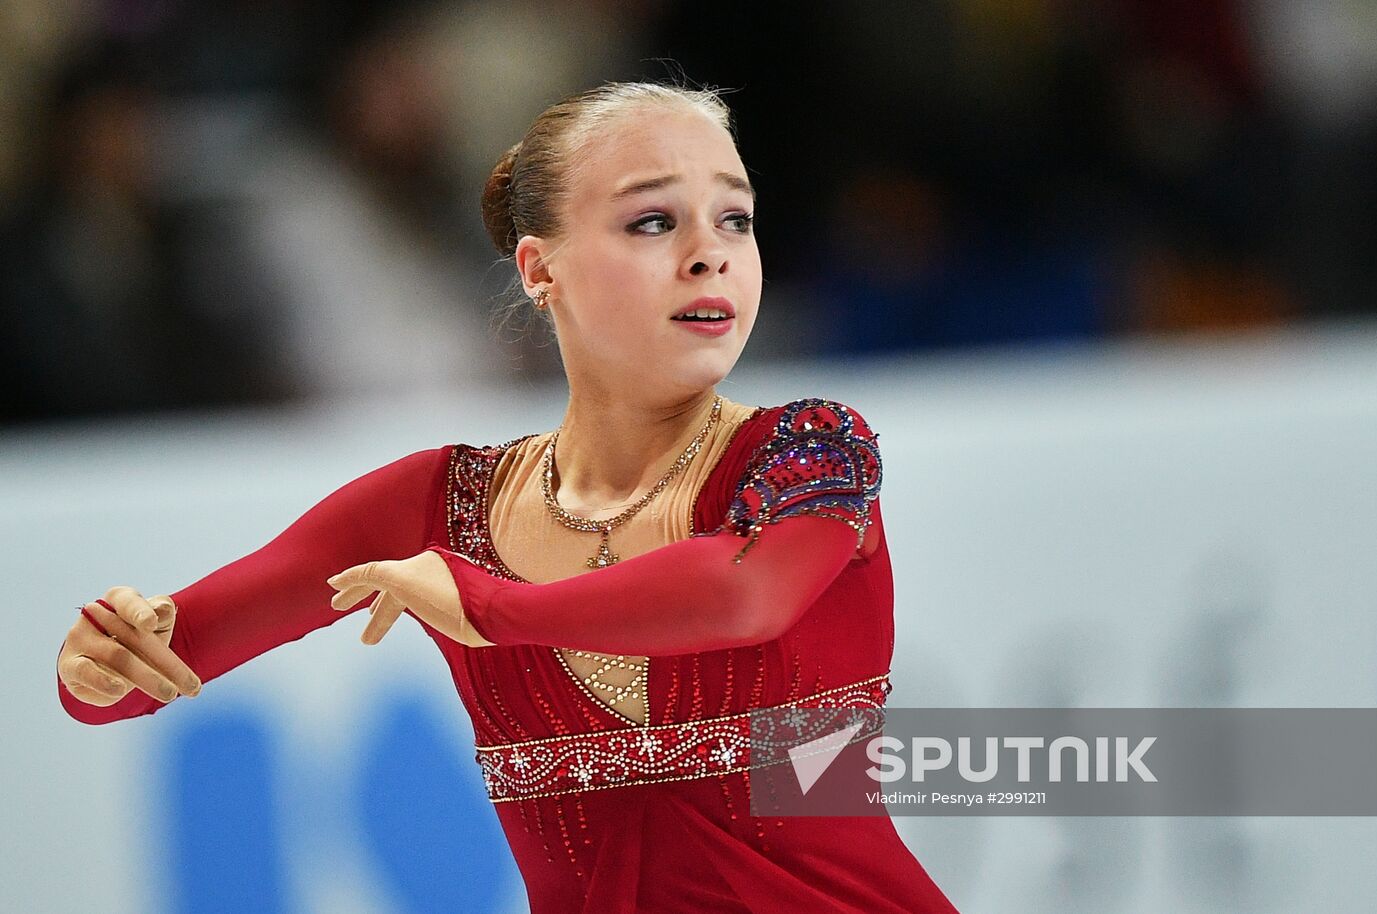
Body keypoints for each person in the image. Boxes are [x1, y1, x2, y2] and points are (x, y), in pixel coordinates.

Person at [55, 80, 961, 913]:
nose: (708, 256)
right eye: (652, 222)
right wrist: (107, 653)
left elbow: (744, 593)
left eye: (735, 218)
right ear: (539, 269)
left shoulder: (810, 450)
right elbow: (141, 677)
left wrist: (491, 605)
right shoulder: (435, 506)